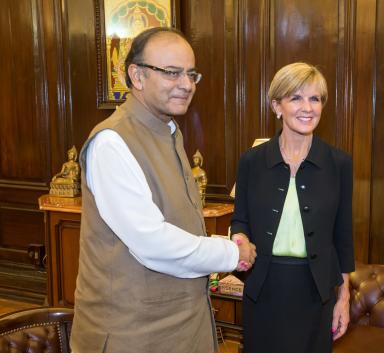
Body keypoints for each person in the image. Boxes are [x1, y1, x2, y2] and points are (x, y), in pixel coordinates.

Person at [70, 27, 256, 353]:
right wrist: (230, 253)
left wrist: (223, 243)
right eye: (172, 73)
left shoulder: (168, 130)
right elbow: (151, 242)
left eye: (191, 74)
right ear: (137, 76)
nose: (186, 85)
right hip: (134, 334)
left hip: (181, 327)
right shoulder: (112, 141)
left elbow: (175, 224)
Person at [231, 62, 354, 353]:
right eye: (296, 98)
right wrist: (240, 241)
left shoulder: (339, 163)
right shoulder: (251, 161)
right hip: (264, 288)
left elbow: (343, 236)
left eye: (315, 99)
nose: (307, 107)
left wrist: (344, 298)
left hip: (316, 292)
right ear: (277, 106)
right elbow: (241, 221)